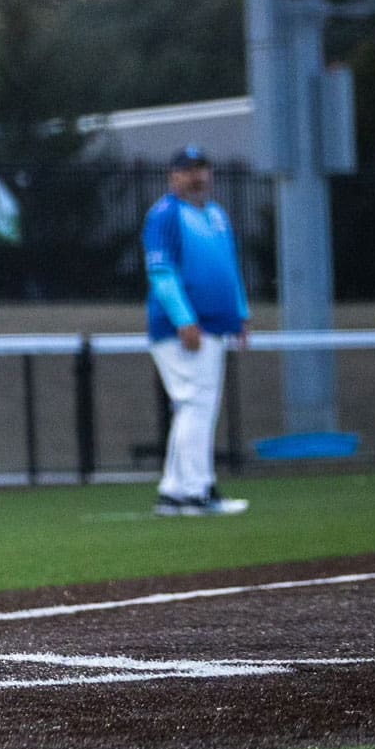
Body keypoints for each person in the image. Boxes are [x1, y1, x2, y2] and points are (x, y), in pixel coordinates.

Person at [143, 145, 251, 517]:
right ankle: (196, 491)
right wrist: (183, 319)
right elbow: (161, 272)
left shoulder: (216, 215)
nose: (198, 177)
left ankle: (175, 491)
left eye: (203, 169)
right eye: (189, 170)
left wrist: (241, 313)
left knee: (193, 406)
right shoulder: (166, 215)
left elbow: (229, 267)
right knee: (195, 405)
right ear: (173, 176)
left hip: (214, 324)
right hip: (186, 328)